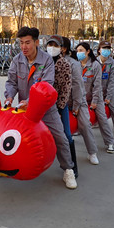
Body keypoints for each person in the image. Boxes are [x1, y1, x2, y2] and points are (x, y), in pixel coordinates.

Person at [1, 27, 77, 189]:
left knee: (60, 137)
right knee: (12, 137)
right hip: (23, 108)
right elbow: (12, 82)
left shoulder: (47, 60)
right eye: (21, 43)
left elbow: (47, 84)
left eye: (27, 42)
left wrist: (31, 100)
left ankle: (68, 169)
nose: (24, 47)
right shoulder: (17, 60)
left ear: (36, 42)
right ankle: (4, 167)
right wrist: (9, 96)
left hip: (45, 108)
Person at [63, 37, 99, 165]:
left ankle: (92, 152)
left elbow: (77, 86)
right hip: (61, 101)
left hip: (77, 100)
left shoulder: (74, 63)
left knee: (84, 124)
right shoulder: (51, 62)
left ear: (64, 48)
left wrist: (76, 107)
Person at [46, 35, 78, 176]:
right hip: (42, 103)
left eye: (55, 45)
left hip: (58, 104)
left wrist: (59, 108)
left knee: (66, 135)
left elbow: (66, 88)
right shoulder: (44, 62)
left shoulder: (64, 64)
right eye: (49, 45)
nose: (51, 48)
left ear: (62, 49)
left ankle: (71, 167)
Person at [76, 42, 114, 154]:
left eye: (81, 50)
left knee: (102, 118)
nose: (78, 53)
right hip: (81, 98)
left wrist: (94, 102)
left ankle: (109, 142)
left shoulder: (95, 65)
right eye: (77, 51)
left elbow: (97, 85)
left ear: (88, 51)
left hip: (95, 98)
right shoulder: (76, 65)